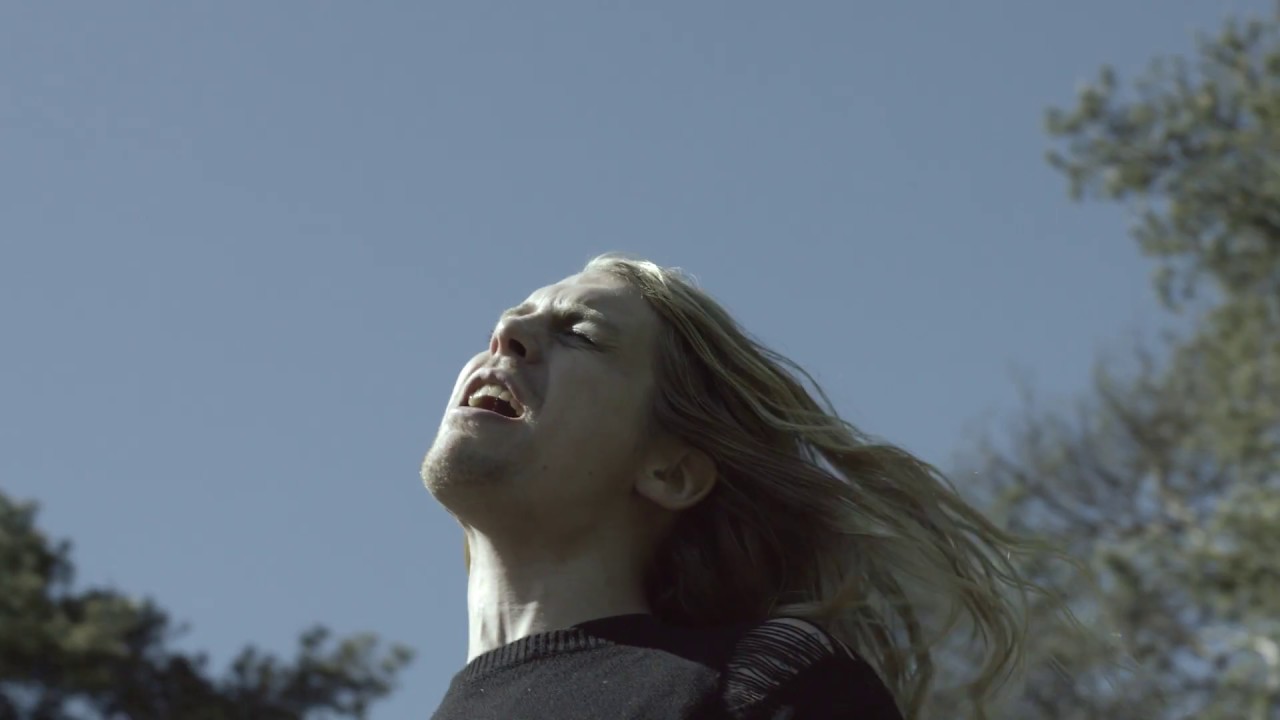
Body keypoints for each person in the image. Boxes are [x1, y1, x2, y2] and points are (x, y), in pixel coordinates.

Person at [421, 253, 1043, 719]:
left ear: (670, 471)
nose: (506, 335)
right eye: (509, 321)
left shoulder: (761, 687)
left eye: (579, 334)